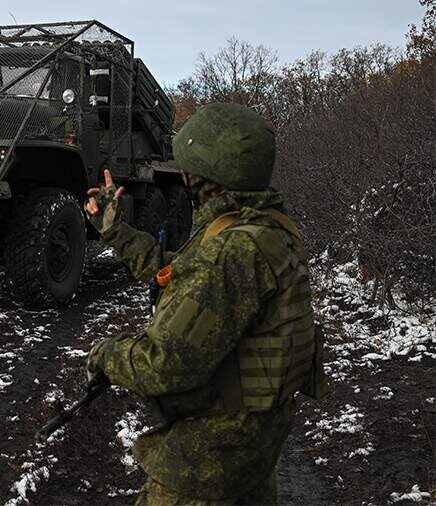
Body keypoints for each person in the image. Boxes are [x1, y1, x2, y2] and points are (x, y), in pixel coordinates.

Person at [84, 102, 326, 505]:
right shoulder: (266, 228)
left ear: (204, 174)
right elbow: (174, 273)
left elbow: (164, 363)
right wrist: (114, 230)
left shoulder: (233, 250)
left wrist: (105, 356)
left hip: (208, 459)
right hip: (254, 446)